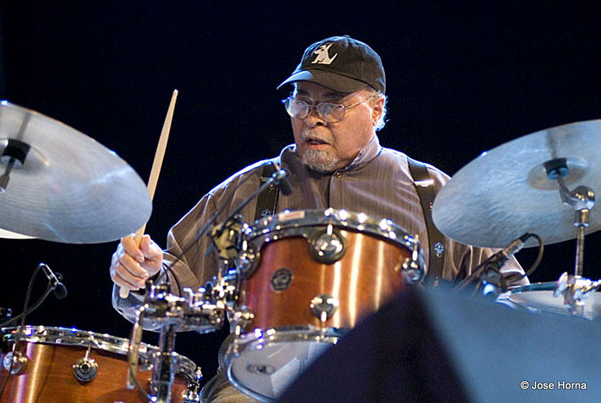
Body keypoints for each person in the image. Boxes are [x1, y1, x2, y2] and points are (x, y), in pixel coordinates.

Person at [109, 35, 527, 402]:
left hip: (395, 387)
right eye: (302, 101)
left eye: (333, 104)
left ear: (377, 108)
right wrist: (140, 276)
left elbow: (510, 294)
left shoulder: (433, 193)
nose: (313, 116)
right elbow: (173, 292)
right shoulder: (254, 188)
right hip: (259, 389)